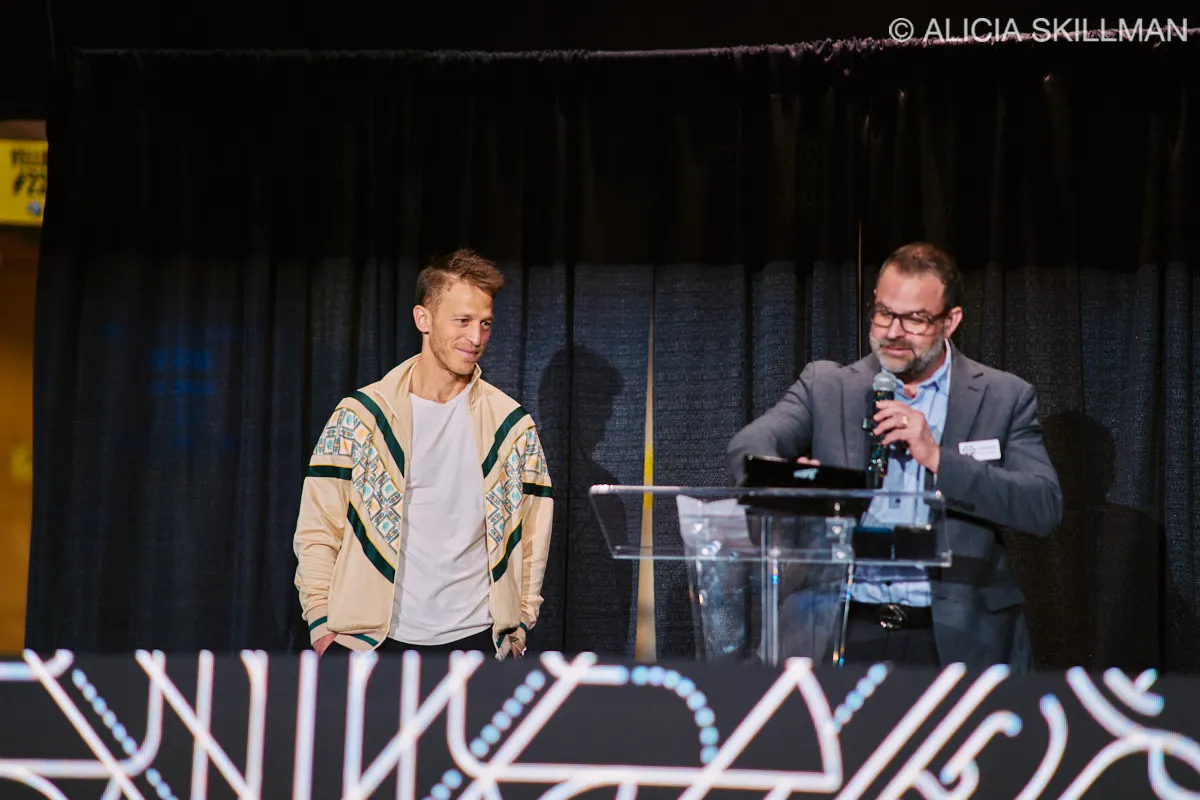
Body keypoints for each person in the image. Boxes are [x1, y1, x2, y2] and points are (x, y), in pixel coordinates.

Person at [726, 242, 1062, 671]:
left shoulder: (1002, 396)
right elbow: (748, 446)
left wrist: (938, 458)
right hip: (840, 627)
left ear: (950, 321)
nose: (893, 331)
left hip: (954, 637)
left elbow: (1042, 505)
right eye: (884, 313)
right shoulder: (828, 386)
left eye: (915, 319)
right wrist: (795, 482)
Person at [293, 249, 554, 659]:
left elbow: (534, 537)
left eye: (485, 323)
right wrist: (322, 624)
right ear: (423, 319)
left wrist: (519, 626)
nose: (476, 338)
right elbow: (317, 529)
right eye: (463, 321)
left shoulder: (511, 427)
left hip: (476, 641)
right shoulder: (362, 417)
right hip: (369, 642)